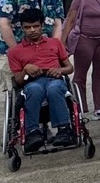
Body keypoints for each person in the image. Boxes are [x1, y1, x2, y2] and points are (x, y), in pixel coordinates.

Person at [8, 10, 75, 153]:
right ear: (22, 28)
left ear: (42, 25)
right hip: (32, 82)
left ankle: (64, 130)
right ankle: (32, 132)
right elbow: (18, 80)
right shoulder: (15, 52)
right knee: (34, 89)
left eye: (36, 26)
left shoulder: (55, 43)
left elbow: (70, 68)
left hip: (54, 78)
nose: (32, 30)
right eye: (27, 27)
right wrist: (25, 69)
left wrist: (59, 70)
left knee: (54, 88)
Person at [0, 0, 65, 91]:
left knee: (49, 87)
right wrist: (17, 52)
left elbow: (57, 24)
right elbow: (4, 24)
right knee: (15, 91)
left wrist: (55, 49)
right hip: (13, 49)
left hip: (44, 51)